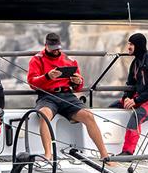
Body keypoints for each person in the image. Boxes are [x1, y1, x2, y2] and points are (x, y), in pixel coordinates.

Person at [27, 33, 112, 164]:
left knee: (89, 116)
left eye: (58, 47)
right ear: (46, 46)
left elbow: (78, 87)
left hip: (67, 95)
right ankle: (48, 155)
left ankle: (104, 155)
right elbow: (32, 83)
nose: (56, 50)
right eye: (53, 47)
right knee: (44, 115)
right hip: (47, 96)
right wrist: (47, 77)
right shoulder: (37, 59)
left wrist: (78, 81)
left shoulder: (69, 60)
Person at [112, 33, 148, 155]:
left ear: (138, 45)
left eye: (131, 44)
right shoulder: (135, 64)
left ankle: (128, 152)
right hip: (143, 98)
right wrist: (127, 98)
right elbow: (130, 85)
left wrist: (136, 101)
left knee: (137, 115)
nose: (128, 46)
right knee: (113, 107)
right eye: (128, 43)